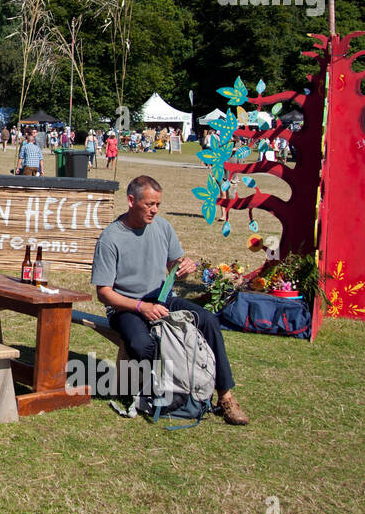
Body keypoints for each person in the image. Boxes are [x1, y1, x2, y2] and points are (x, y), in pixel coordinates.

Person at [90, 175, 249, 425]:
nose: (154, 210)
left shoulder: (162, 227)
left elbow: (174, 262)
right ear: (131, 201)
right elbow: (104, 293)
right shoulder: (110, 238)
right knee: (141, 344)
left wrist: (183, 265)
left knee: (207, 321)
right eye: (149, 204)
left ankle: (225, 395)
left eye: (158, 205)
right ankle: (173, 391)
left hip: (162, 297)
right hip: (126, 306)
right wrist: (141, 307)